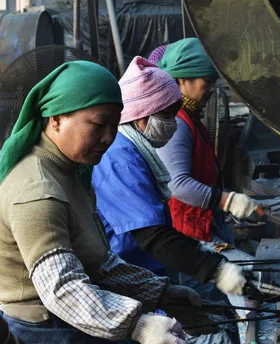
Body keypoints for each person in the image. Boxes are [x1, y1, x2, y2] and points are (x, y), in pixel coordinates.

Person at [0, 60, 201, 344]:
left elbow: (98, 262)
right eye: (97, 124)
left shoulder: (71, 172)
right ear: (55, 119)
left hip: (71, 317)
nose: (108, 138)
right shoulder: (39, 190)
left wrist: (159, 292)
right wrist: (138, 325)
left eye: (114, 125)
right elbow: (63, 289)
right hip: (46, 329)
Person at [92, 56, 247, 298]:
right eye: (168, 115)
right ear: (144, 115)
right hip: (126, 273)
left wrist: (197, 249)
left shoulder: (136, 150)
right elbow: (151, 236)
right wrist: (215, 270)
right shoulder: (121, 159)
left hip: (144, 267)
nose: (173, 124)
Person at [151, 38, 260, 244]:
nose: (212, 90)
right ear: (182, 79)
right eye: (207, 83)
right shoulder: (177, 124)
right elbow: (179, 185)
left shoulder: (190, 117)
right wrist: (227, 200)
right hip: (187, 233)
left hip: (202, 224)